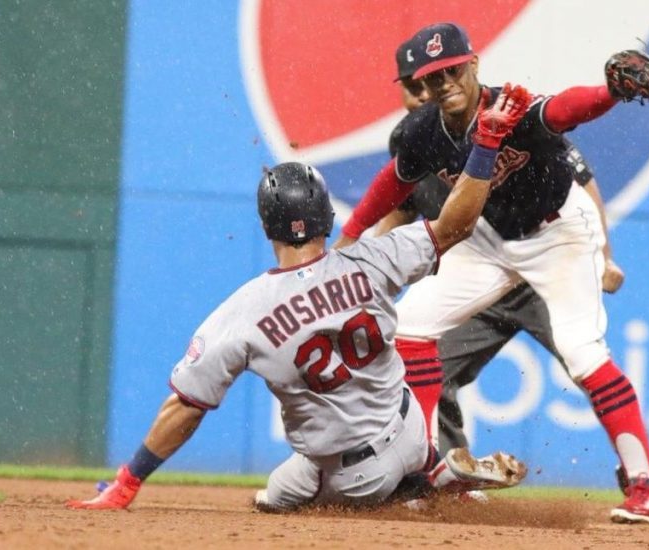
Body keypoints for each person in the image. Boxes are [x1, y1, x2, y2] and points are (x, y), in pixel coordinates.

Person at [64, 83, 535, 512]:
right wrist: (485, 147)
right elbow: (456, 225)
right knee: (284, 484)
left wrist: (128, 482)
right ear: (326, 217)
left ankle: (427, 485)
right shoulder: (372, 260)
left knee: (276, 504)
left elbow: (186, 406)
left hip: (354, 475)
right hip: (410, 429)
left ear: (268, 224)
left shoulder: (244, 310)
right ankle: (428, 467)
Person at [335, 22, 649, 524]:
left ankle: (647, 484)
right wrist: (349, 237)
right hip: (487, 241)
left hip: (557, 233)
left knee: (583, 353)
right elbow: (393, 182)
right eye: (431, 78)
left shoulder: (511, 109)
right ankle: (423, 467)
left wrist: (609, 92)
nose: (443, 84)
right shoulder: (423, 131)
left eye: (452, 70)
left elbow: (564, 108)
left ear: (473, 64)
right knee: (410, 325)